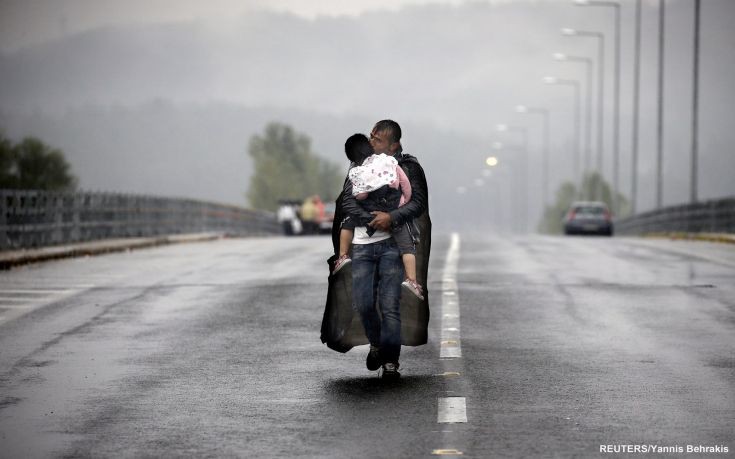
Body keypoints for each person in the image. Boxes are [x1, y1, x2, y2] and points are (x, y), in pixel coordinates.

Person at [340, 120, 430, 379]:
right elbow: (347, 199)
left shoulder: (407, 166)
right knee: (363, 302)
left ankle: (391, 360)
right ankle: (377, 343)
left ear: (394, 145)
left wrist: (391, 218)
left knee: (390, 304)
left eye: (377, 139)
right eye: (371, 137)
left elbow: (417, 202)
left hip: (393, 244)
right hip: (362, 244)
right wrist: (370, 219)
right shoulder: (361, 164)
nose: (371, 142)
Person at [332, 133, 424, 300]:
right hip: (394, 211)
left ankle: (343, 255)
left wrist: (368, 216)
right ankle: (412, 280)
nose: (372, 141)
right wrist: (400, 205)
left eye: (376, 138)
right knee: (407, 247)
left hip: (370, 215)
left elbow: (358, 196)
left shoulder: (358, 171)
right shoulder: (391, 163)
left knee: (347, 222)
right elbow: (406, 186)